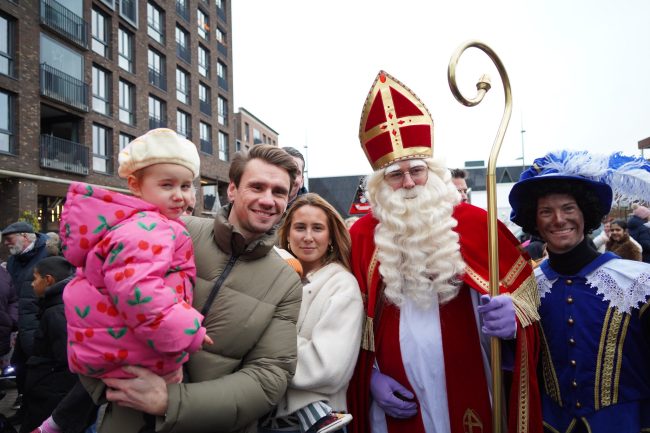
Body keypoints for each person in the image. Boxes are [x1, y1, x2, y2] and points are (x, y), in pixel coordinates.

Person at [347, 71, 542, 433]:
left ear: (432, 171)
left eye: (416, 171)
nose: (407, 183)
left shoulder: (476, 224)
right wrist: (370, 376)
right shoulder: (360, 237)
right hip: (394, 398)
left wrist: (513, 318)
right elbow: (348, 323)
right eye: (395, 175)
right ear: (379, 183)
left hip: (472, 384)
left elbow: (527, 299)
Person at [82, 144, 303, 433]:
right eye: (257, 187)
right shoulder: (174, 230)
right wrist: (108, 383)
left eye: (278, 192)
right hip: (129, 420)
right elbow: (91, 296)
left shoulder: (285, 281)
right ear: (232, 190)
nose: (267, 200)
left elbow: (269, 376)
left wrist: (170, 402)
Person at [49, 128, 211, 433]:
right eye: (167, 185)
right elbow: (138, 291)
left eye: (187, 185)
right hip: (136, 348)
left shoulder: (145, 224)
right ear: (136, 186)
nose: (181, 195)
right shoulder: (149, 227)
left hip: (114, 345)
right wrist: (189, 332)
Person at [508, 150, 650, 433]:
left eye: (569, 208)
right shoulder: (525, 286)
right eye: (546, 211)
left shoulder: (638, 281)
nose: (559, 219)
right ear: (536, 222)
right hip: (551, 425)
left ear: (586, 214)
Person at [261, 193, 363, 433]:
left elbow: (326, 368)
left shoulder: (342, 285)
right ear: (286, 234)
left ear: (330, 237)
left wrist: (263, 341)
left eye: (317, 228)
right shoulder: (269, 276)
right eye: (299, 227)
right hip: (262, 420)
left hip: (316, 425)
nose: (308, 237)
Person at [20, 257, 76, 433]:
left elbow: (65, 362)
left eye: (35, 278)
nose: (32, 284)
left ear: (49, 279)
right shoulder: (54, 306)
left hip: (51, 397)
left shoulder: (56, 313)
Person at [1, 221, 49, 419]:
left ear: (25, 237)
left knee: (38, 367)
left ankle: (39, 411)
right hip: (20, 322)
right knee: (19, 365)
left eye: (8, 239)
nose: (5, 244)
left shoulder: (47, 254)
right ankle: (25, 404)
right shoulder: (13, 259)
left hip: (41, 321)